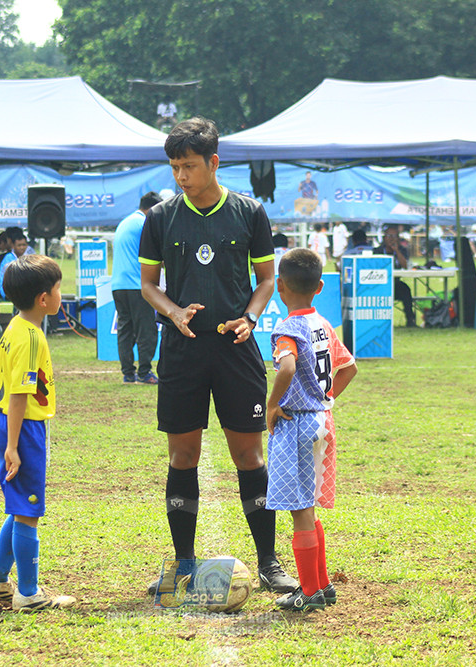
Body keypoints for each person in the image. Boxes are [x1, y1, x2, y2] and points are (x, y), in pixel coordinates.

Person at [139, 117, 297, 595]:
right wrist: (172, 312)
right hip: (183, 350)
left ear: (213, 162)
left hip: (235, 349)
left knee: (249, 454)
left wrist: (250, 316)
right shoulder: (160, 218)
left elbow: (267, 279)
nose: (181, 176)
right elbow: (149, 285)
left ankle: (269, 563)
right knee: (182, 454)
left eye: (189, 165)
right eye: (174, 167)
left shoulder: (250, 212)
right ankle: (185, 564)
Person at [0, 254, 77, 612]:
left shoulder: (17, 327)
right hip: (22, 428)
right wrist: (13, 446)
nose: (61, 294)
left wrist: (4, 439)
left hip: (6, 424)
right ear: (43, 299)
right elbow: (19, 394)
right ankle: (29, 594)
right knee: (28, 511)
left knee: (19, 507)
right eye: (58, 288)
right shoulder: (31, 338)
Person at [266, 248, 357, 611]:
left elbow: (286, 368)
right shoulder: (323, 325)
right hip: (323, 419)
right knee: (310, 508)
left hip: (297, 424)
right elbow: (349, 368)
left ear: (279, 286)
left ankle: (308, 592)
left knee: (300, 508)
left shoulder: (287, 329)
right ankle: (320, 584)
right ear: (319, 286)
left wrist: (273, 404)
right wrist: (326, 396)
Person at [112, 191, 163, 384]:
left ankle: (127, 373)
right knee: (147, 330)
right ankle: (145, 372)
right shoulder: (144, 223)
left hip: (118, 285)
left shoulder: (125, 222)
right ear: (152, 209)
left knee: (126, 329)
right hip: (136, 285)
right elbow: (157, 253)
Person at [373, 225, 417, 327]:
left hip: (395, 283)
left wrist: (396, 251)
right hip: (380, 284)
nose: (391, 239)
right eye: (389, 236)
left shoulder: (402, 250)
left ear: (398, 238)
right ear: (384, 238)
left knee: (406, 290)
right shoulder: (377, 251)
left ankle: (410, 320)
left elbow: (405, 266)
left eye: (394, 236)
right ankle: (379, 323)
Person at [0, 228, 33, 301]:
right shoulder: (8, 258)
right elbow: (4, 280)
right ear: (13, 246)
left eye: (24, 245)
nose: (22, 248)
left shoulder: (31, 256)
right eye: (19, 245)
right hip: (10, 290)